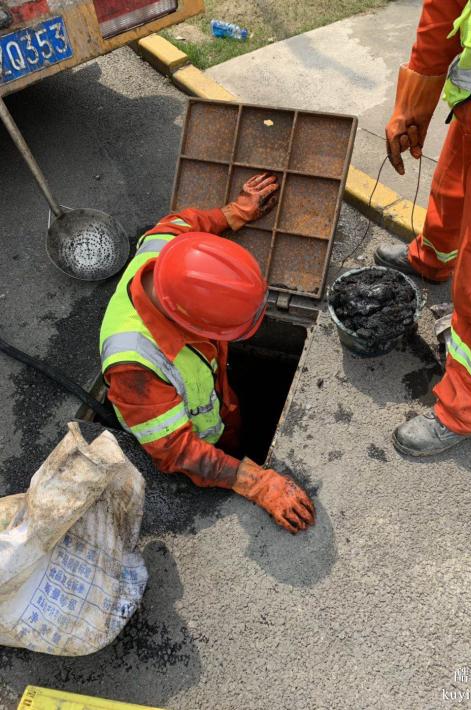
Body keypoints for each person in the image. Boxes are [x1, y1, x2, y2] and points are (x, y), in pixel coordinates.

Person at [99, 173, 315, 534]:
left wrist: (234, 212)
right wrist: (255, 482)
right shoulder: (134, 367)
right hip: (202, 438)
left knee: (235, 425)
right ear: (188, 322)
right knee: (220, 447)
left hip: (222, 404)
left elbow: (182, 222)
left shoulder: (163, 249)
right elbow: (176, 451)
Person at [374, 0, 471, 456]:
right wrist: (414, 103)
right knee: (452, 192)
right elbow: (445, 6)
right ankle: (432, 258)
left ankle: (467, 410)